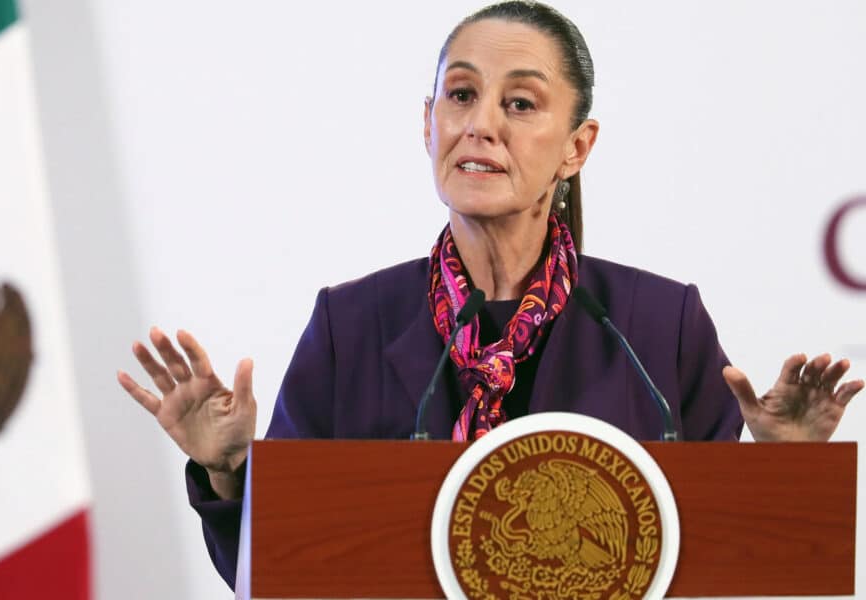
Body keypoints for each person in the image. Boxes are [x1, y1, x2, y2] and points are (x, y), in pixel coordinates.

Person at [116, 1, 864, 590]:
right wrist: (233, 470)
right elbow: (281, 569)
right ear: (427, 121)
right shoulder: (351, 326)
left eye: (521, 104)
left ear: (577, 146)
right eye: (462, 95)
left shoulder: (658, 326)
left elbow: (718, 560)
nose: (479, 125)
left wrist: (784, 469)